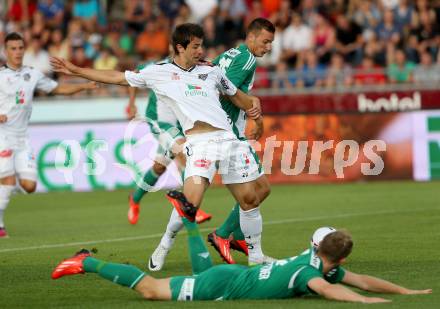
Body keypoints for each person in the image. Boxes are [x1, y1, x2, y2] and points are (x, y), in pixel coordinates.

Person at [50, 23, 267, 272]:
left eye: (201, 46)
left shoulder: (211, 71)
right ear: (180, 47)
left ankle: (257, 259)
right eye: (195, 46)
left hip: (229, 140)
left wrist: (253, 109)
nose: (201, 51)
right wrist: (76, 70)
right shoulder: (158, 72)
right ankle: (165, 243)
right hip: (200, 144)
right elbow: (118, 77)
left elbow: (235, 95)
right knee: (190, 204)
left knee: (250, 199)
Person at [51, 211, 432, 303]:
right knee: (151, 291)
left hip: (224, 279)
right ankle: (87, 261)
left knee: (201, 272)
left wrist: (406, 292)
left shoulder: (313, 262)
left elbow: (361, 280)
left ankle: (189, 219)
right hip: (223, 287)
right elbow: (341, 289)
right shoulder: (312, 275)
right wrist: (366, 302)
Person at [0, 32, 97, 238]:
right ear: (5, 51)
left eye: (20, 48)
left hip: (22, 139)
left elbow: (57, 88)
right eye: (13, 48)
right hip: (3, 136)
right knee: (7, 181)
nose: (17, 52)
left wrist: (83, 86)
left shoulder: (32, 74)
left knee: (29, 186)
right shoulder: (0, 76)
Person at [206, 18, 275, 265]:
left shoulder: (230, 54)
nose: (268, 47)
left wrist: (253, 104)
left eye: (271, 43)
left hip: (213, 128)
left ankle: (227, 236)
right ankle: (224, 235)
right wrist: (253, 112)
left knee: (259, 190)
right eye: (265, 41)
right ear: (252, 36)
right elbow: (227, 89)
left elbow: (215, 80)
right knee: (259, 190)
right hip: (226, 133)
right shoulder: (247, 58)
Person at [125, 49, 212, 228]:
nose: (197, 51)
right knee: (184, 153)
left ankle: (134, 198)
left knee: (159, 167)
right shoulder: (158, 67)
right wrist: (132, 103)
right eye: (192, 47)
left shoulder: (196, 69)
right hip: (160, 123)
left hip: (180, 125)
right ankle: (190, 206)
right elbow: (132, 76)